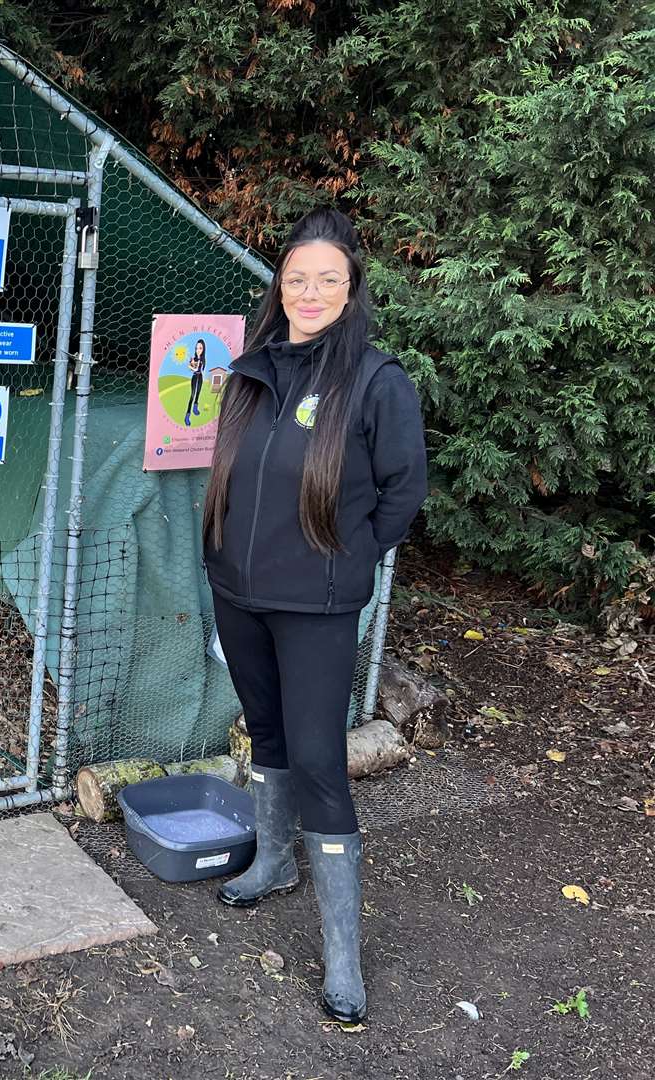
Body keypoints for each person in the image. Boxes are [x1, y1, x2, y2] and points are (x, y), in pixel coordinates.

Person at [201, 208, 428, 1024]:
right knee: (266, 731)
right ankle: (272, 864)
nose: (309, 292)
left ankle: (342, 956)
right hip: (239, 591)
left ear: (351, 286)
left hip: (318, 603)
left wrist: (352, 555)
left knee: (323, 762)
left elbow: (404, 491)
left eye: (327, 278)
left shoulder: (375, 380)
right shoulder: (252, 370)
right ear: (280, 287)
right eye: (297, 278)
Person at [184, 338, 207, 426]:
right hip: (195, 377)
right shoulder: (193, 359)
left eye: (200, 348)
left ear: (203, 349)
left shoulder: (203, 359)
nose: (198, 350)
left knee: (198, 393)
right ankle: (187, 416)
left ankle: (195, 408)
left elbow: (202, 369)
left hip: (200, 376)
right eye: (197, 348)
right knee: (192, 395)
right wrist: (192, 363)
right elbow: (193, 368)